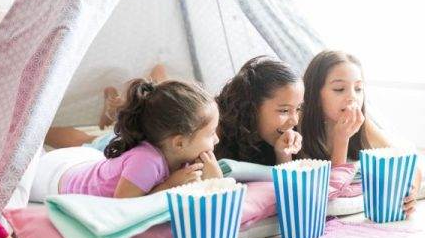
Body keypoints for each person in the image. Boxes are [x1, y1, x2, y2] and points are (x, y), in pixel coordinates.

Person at [28, 78, 222, 201]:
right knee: (30, 160)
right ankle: (31, 131)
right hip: (52, 177)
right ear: (179, 142)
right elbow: (124, 206)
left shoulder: (183, 156)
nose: (216, 140)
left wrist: (213, 178)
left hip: (87, 161)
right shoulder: (146, 161)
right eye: (210, 133)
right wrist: (168, 185)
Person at [299, 50, 421, 216]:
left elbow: (408, 163)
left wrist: (412, 193)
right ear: (315, 93)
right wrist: (342, 139)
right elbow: (331, 189)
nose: (352, 97)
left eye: (358, 89)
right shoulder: (300, 126)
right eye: (339, 89)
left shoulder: (363, 125)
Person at [215, 56, 304, 166]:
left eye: (298, 108)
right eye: (284, 110)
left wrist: (283, 154)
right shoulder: (214, 132)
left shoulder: (282, 137)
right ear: (252, 106)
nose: (295, 121)